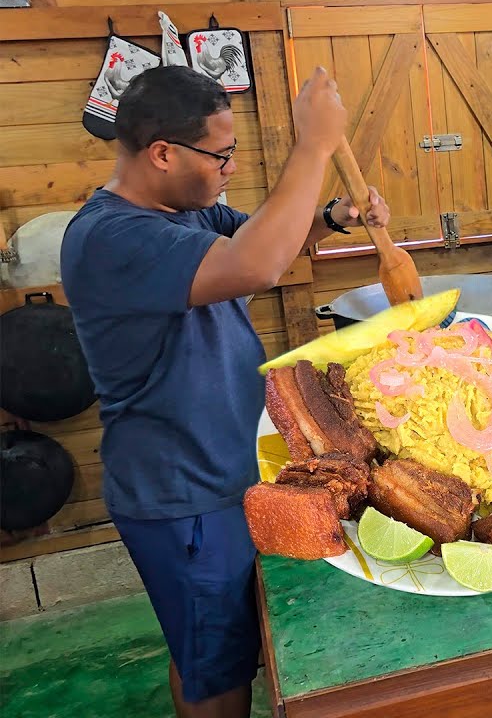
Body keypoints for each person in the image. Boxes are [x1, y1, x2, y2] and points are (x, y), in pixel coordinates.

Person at [59, 65, 390, 718]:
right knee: (216, 670)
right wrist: (313, 146)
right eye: (222, 155)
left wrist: (331, 216)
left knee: (220, 641)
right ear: (162, 153)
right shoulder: (109, 237)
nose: (231, 168)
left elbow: (266, 238)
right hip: (180, 493)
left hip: (223, 476)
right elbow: (254, 263)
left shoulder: (185, 209)